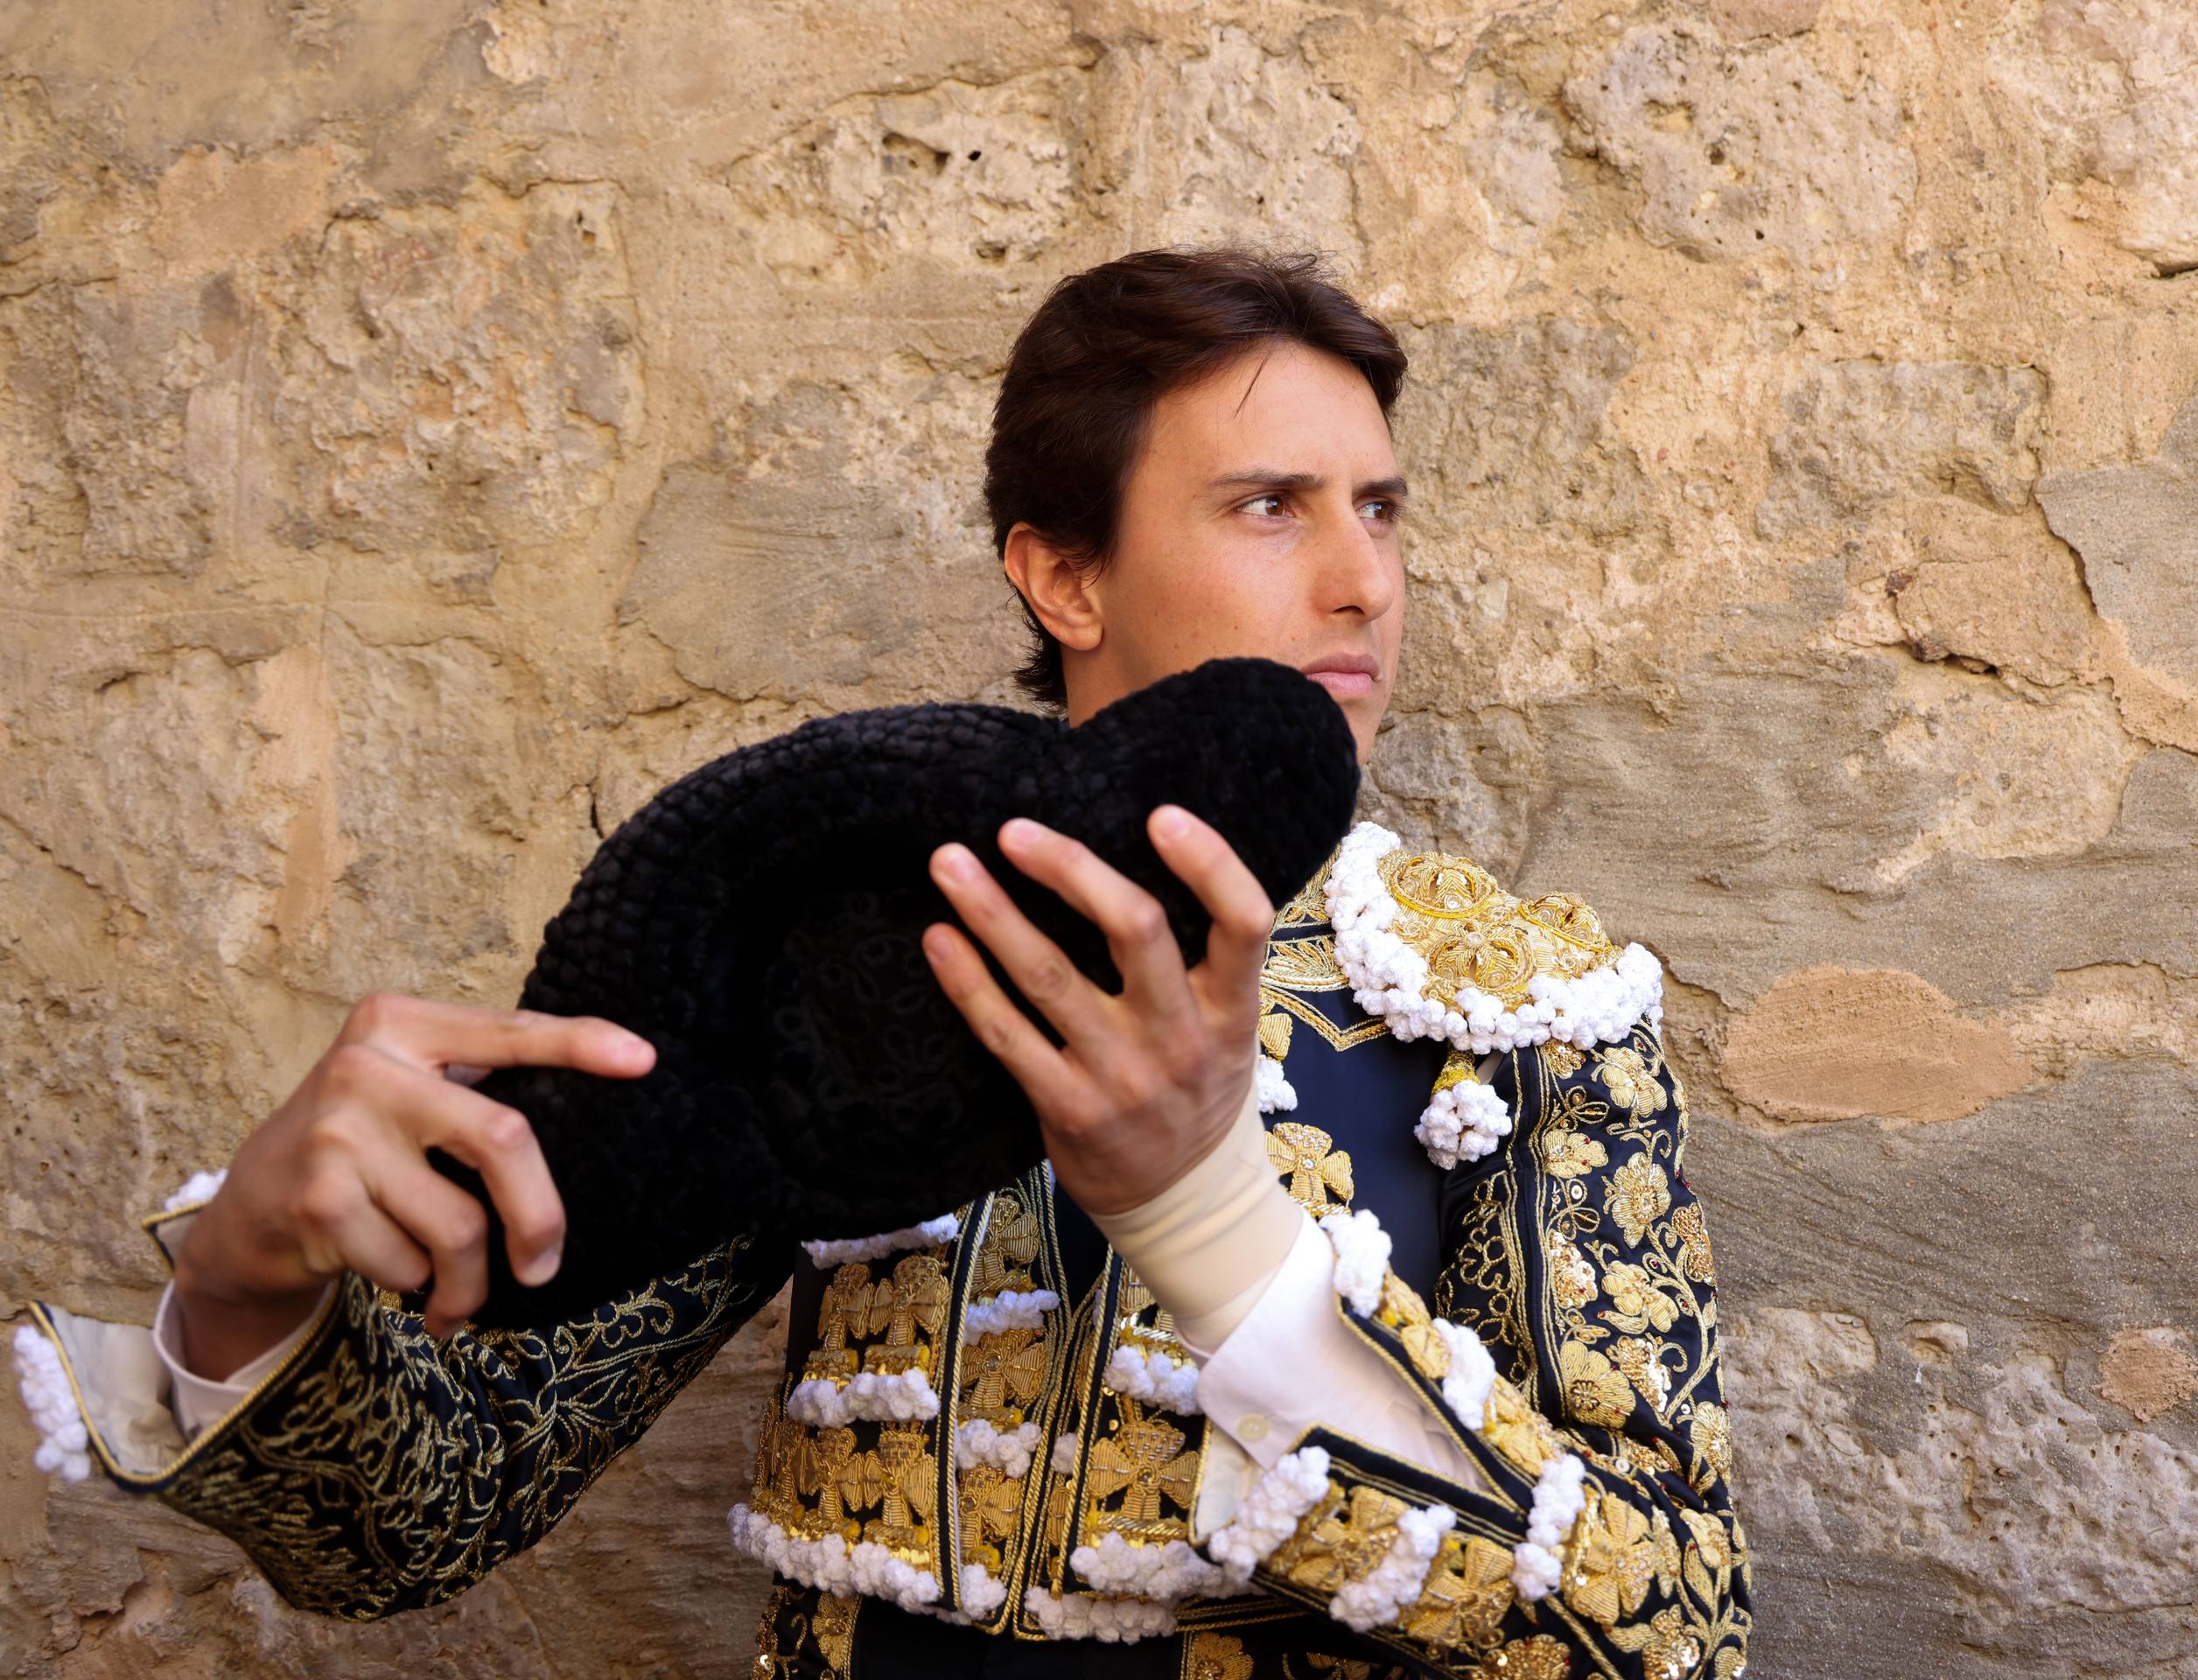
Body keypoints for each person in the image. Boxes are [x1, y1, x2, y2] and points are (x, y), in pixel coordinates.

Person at [16, 248, 1754, 1678]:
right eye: (1269, 505)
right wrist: (239, 1301)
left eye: (1381, 509)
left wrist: (1216, 1235)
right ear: (1059, 572)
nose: (1362, 578)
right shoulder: (855, 950)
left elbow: (1670, 1633)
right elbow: (422, 1514)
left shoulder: (1521, 1001)